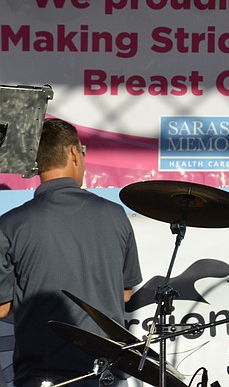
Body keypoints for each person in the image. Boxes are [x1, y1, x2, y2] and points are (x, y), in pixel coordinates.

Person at [0, 118, 143, 387]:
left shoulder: (10, 224)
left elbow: (2, 307)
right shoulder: (114, 215)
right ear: (74, 153)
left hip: (42, 375)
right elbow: (124, 293)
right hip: (106, 374)